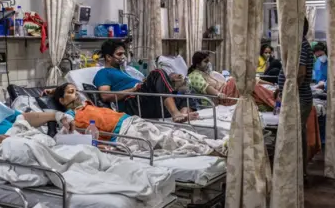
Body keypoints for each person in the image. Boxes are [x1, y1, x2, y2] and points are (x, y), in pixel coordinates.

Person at [52, 83, 226, 156]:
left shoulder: (87, 105)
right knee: (170, 141)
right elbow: (64, 134)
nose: (75, 93)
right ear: (61, 101)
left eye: (76, 90)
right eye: (70, 92)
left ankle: (214, 144)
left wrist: (53, 91)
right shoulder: (71, 116)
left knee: (177, 133)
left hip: (132, 122)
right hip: (125, 133)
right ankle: (215, 150)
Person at [92, 40, 198, 122]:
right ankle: (176, 114)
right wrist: (133, 89)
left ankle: (183, 115)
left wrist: (169, 79)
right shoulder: (103, 73)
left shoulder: (125, 71)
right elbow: (105, 96)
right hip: (133, 104)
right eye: (119, 54)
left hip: (146, 101)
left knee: (185, 91)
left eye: (124, 54)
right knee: (157, 73)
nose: (123, 57)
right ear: (108, 57)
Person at [277, 17, 313, 180]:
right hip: (297, 96)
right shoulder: (299, 45)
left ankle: (296, 174)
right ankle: (300, 171)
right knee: (298, 134)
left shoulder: (300, 45)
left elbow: (300, 74)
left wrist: (288, 93)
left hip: (298, 97)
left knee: (294, 135)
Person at [187, 51, 276, 109]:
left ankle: (272, 98)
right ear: (197, 64)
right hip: (223, 97)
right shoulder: (194, 76)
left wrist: (271, 83)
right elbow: (205, 87)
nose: (208, 63)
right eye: (206, 61)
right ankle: (273, 99)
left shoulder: (207, 72)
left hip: (227, 89)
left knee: (250, 90)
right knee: (239, 79)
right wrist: (218, 94)